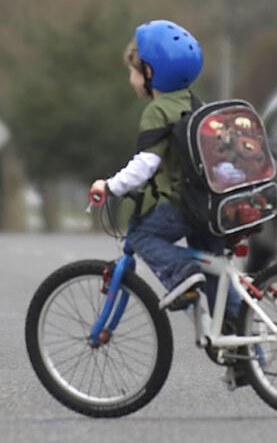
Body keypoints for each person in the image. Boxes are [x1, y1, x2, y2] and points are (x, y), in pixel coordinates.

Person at [88, 20, 246, 384]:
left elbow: (146, 165)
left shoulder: (157, 112)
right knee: (218, 277)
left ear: (149, 72)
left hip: (182, 206)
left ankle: (181, 274)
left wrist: (109, 186)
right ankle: (246, 356)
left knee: (143, 237)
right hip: (213, 208)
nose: (130, 79)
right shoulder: (196, 104)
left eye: (132, 71)